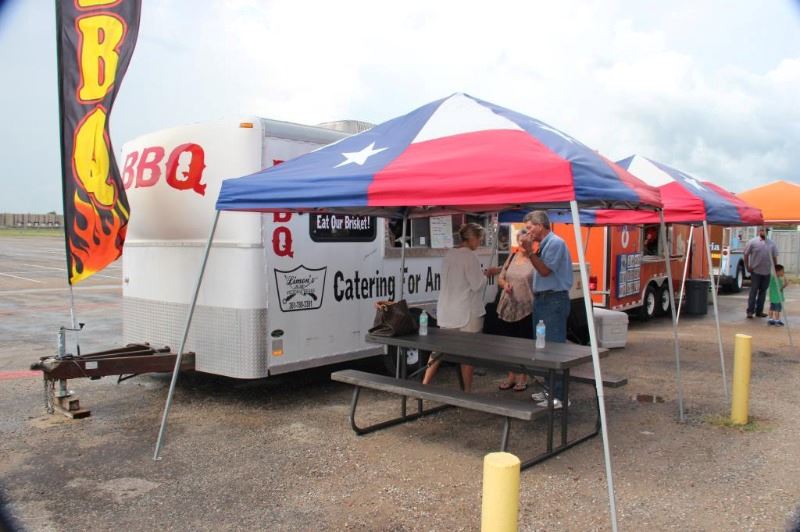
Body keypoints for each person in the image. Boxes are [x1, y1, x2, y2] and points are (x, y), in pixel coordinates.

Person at [422, 223, 501, 392]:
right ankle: (467, 392)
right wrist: (487, 274)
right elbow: (476, 285)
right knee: (468, 355)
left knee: (438, 351)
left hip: (447, 309)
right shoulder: (470, 257)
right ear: (472, 238)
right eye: (479, 239)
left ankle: (424, 384)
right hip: (466, 311)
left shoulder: (449, 254)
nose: (479, 242)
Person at [519, 211, 574, 408]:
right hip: (543, 300)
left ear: (541, 225)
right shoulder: (544, 244)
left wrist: (530, 252)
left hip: (554, 300)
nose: (528, 231)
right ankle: (549, 390)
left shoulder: (556, 243)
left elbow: (544, 270)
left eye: (530, 227)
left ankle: (559, 396)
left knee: (554, 348)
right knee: (542, 347)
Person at [496, 229, 535, 392]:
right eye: (521, 241)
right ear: (517, 243)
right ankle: (511, 376)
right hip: (508, 307)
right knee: (509, 344)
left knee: (524, 344)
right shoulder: (511, 257)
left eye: (527, 241)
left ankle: (523, 377)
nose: (523, 244)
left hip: (526, 308)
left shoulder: (535, 260)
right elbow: (500, 277)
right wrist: (505, 285)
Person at [744, 227, 778, 319]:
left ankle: (759, 312)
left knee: (763, 292)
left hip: (766, 272)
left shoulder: (772, 244)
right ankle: (750, 311)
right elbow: (746, 254)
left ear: (767, 232)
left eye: (766, 231)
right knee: (753, 291)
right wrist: (747, 266)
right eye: (762, 230)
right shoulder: (752, 242)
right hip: (755, 272)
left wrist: (776, 270)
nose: (764, 232)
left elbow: (775, 257)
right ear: (759, 231)